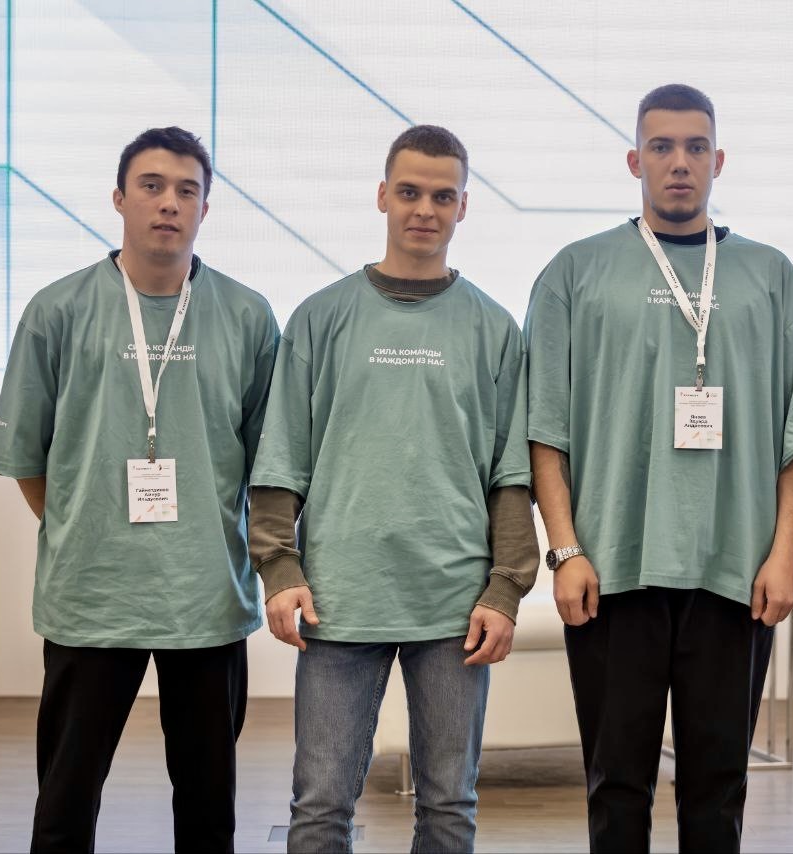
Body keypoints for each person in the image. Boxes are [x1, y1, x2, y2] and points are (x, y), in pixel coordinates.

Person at [524, 84, 793, 853]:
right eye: (661, 147)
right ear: (635, 161)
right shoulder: (574, 272)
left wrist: (784, 555)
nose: (679, 163)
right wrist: (565, 551)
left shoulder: (772, 277)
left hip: (735, 574)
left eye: (696, 147)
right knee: (616, 785)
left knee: (717, 789)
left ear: (718, 160)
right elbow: (546, 432)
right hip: (612, 571)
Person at [0, 126, 279, 852]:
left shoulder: (247, 316)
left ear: (205, 208)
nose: (169, 203)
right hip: (93, 593)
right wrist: (82, 523)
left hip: (205, 598)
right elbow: (26, 455)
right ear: (119, 198)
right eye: (151, 186)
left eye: (187, 190)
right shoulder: (58, 310)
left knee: (208, 806)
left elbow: (267, 461)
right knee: (66, 800)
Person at [248, 124, 537, 854]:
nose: (424, 209)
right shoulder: (320, 318)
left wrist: (506, 588)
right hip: (339, 598)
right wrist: (279, 568)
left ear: (463, 206)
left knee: (449, 806)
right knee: (320, 806)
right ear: (382, 195)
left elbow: (510, 475)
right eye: (409, 192)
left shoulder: (494, 328)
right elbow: (281, 458)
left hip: (454, 605)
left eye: (442, 196)